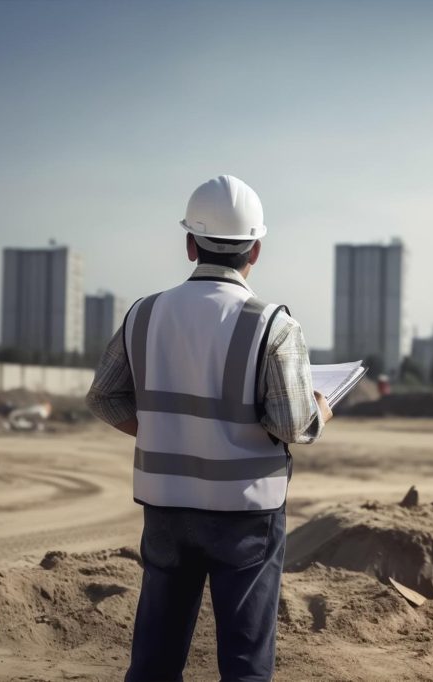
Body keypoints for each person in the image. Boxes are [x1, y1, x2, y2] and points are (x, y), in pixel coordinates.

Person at [85, 174, 332, 682]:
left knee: (154, 660)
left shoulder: (144, 314)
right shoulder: (274, 324)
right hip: (246, 513)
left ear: (190, 244)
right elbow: (291, 424)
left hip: (166, 505)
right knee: (244, 664)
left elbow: (103, 396)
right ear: (255, 250)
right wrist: (321, 412)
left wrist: (163, 433)